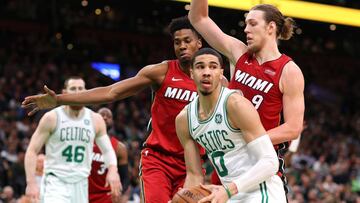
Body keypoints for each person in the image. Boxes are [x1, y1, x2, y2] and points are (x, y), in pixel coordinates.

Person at [22, 17, 204, 202]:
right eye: (177, 42)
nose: (182, 46)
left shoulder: (215, 81)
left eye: (187, 41)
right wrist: (60, 100)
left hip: (193, 163)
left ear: (199, 43)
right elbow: (111, 92)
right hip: (159, 159)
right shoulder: (161, 72)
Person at [189, 1, 305, 192]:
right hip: (227, 163)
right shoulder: (239, 53)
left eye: (252, 24)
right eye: (246, 24)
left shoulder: (289, 71)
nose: (246, 30)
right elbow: (199, 18)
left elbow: (293, 128)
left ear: (271, 28)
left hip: (259, 164)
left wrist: (248, 141)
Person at [176, 48, 286, 202]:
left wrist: (229, 190)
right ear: (191, 73)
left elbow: (270, 162)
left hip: (262, 192)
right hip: (231, 195)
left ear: (221, 73)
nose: (207, 72)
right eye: (200, 66)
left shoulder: (235, 105)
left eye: (213, 67)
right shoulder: (184, 119)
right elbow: (194, 175)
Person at [24, 77, 121, 203]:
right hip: (56, 182)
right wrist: (31, 183)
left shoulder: (96, 120)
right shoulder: (51, 117)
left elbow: (107, 151)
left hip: (81, 183)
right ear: (64, 93)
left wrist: (113, 170)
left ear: (86, 91)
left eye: (80, 88)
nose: (77, 92)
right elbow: (32, 151)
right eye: (73, 89)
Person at [89, 107, 129, 203]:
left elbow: (125, 178)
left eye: (109, 116)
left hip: (105, 197)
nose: (105, 117)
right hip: (82, 193)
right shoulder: (84, 141)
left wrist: (119, 194)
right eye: (102, 115)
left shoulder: (120, 148)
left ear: (113, 121)